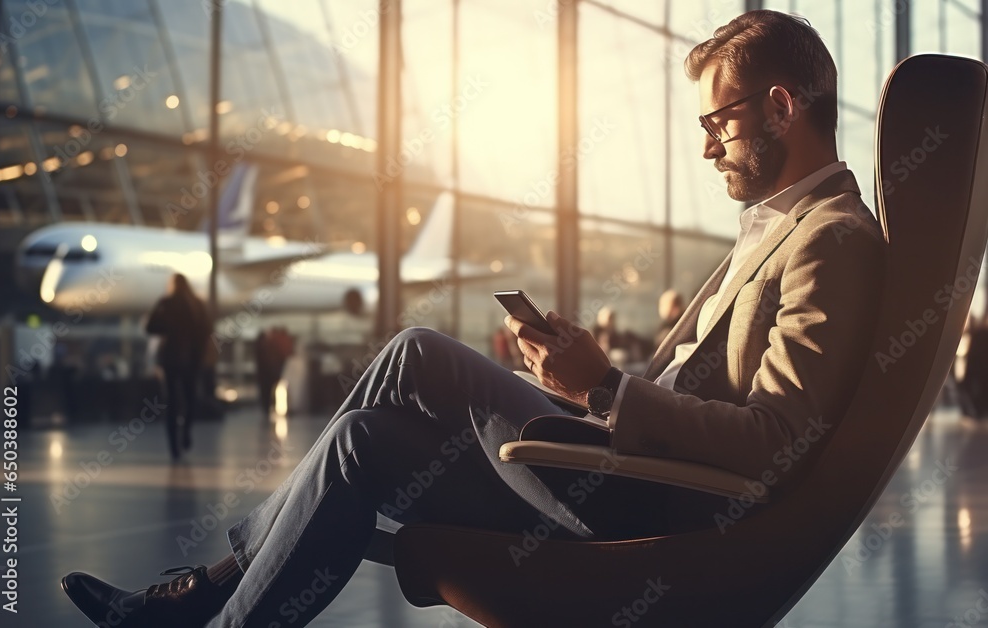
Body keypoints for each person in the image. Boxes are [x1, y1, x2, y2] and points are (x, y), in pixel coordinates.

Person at [61, 10, 885, 627]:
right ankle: (208, 600)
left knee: (418, 350)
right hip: (619, 463)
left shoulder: (832, 240)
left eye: (719, 120)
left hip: (649, 500)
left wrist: (604, 391)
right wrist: (582, 384)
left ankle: (203, 593)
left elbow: (776, 442)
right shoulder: (784, 227)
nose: (709, 147)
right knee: (360, 442)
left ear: (780, 106)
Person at [144, 273, 213, 460]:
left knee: (171, 402)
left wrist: (167, 327)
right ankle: (186, 433)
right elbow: (207, 330)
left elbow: (150, 327)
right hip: (191, 359)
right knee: (190, 398)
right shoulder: (197, 304)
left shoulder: (165, 303)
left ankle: (174, 446)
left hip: (170, 358)